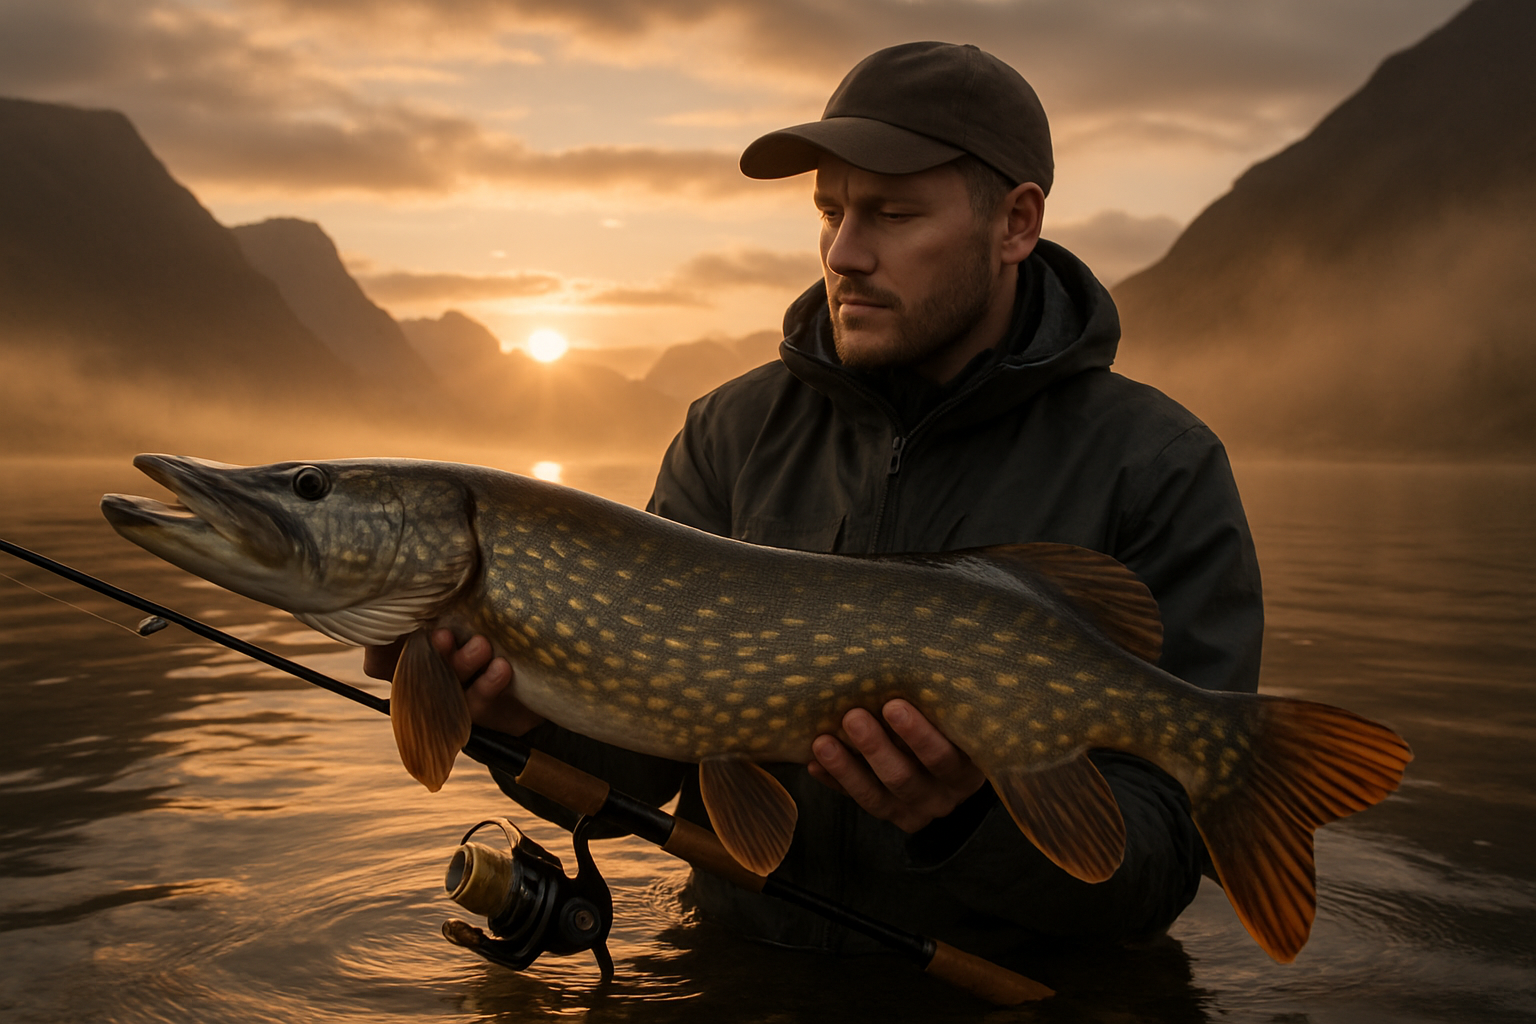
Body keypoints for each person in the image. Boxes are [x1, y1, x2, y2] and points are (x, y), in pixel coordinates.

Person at [367, 41, 1263, 960]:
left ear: (1016, 225)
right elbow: (642, 766)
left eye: (892, 214)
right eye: (830, 212)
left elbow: (1155, 872)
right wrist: (520, 721)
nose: (845, 252)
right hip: (735, 978)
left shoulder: (1159, 467)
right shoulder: (731, 433)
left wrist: (961, 822)